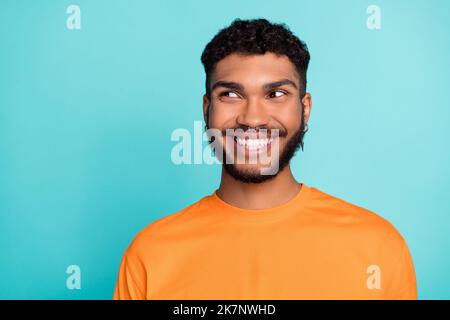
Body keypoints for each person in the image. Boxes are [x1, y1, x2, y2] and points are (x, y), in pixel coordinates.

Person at [113, 18, 417, 300]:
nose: (253, 119)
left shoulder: (378, 247)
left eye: (276, 94)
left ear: (305, 107)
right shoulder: (150, 255)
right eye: (230, 95)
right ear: (206, 109)